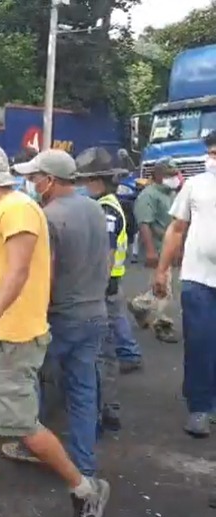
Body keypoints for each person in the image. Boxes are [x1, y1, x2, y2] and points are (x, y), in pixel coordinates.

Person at [0, 143, 109, 517]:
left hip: (10, 337)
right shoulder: (3, 211)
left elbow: (18, 273)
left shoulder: (18, 210)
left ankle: (85, 488)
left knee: (20, 424)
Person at [72, 147, 141, 432]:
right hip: (108, 289)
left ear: (95, 181)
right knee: (105, 353)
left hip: (104, 292)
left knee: (101, 355)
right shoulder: (108, 205)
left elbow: (107, 255)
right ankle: (107, 409)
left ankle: (103, 412)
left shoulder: (106, 210)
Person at [153, 131, 216, 438]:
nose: (212, 159)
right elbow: (176, 229)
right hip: (198, 278)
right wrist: (162, 270)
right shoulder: (195, 185)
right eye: (212, 153)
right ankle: (200, 408)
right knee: (200, 343)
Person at [129, 157, 182, 343]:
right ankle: (163, 325)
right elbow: (145, 224)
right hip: (157, 247)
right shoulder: (148, 195)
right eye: (169, 175)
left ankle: (139, 305)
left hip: (168, 246)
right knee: (164, 288)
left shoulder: (170, 193)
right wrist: (150, 251)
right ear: (158, 175)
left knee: (162, 286)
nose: (174, 178)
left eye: (175, 174)